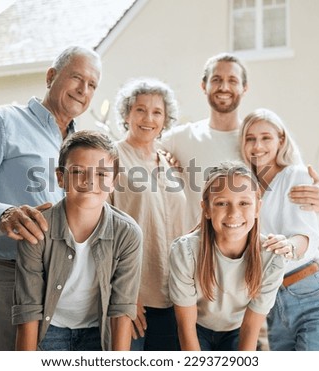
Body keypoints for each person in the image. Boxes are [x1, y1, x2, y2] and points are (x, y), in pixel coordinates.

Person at [0, 46, 102, 350]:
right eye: (76, 78)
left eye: (92, 84)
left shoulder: (85, 145)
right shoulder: (4, 122)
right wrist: (3, 216)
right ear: (51, 76)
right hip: (7, 281)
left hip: (68, 290)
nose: (83, 90)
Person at [160, 53, 319, 230]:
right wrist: (162, 156)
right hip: (197, 250)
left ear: (244, 88)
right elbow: (140, 150)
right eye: (216, 79)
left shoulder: (258, 143)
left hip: (249, 252)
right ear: (204, 86)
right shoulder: (180, 137)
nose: (224, 87)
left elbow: (295, 180)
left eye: (233, 80)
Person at [12, 130, 142, 351]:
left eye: (102, 174)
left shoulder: (128, 234)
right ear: (61, 177)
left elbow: (122, 310)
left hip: (97, 331)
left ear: (114, 182)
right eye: (78, 171)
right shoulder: (38, 229)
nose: (89, 181)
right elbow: (28, 310)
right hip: (49, 327)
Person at [239, 108, 319, 350]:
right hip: (272, 304)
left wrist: (289, 246)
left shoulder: (296, 175)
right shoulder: (245, 187)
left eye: (266, 137)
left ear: (281, 140)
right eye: (250, 138)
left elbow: (306, 235)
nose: (257, 145)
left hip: (314, 298)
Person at [169, 161, 285, 351]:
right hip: (196, 327)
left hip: (238, 329)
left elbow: (250, 327)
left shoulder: (272, 258)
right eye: (222, 203)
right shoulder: (185, 251)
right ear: (206, 209)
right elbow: (186, 327)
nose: (233, 213)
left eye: (244, 203)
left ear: (257, 208)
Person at [111, 78, 189, 350]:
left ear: (165, 119)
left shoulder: (168, 161)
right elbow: (100, 230)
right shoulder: (111, 158)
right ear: (126, 114)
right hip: (135, 297)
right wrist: (122, 294)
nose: (149, 118)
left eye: (157, 112)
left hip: (175, 295)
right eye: (140, 110)